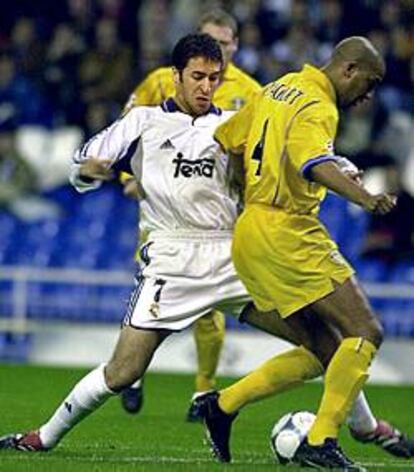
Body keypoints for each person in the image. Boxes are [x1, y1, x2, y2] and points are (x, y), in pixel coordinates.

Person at [0, 34, 412, 467]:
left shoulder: (231, 124)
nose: (205, 87)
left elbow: (289, 153)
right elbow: (80, 163)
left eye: (214, 79)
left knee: (327, 343)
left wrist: (342, 167)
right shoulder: (141, 121)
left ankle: (360, 428)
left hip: (233, 255)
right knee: (123, 373)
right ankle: (41, 437)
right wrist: (88, 172)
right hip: (172, 263)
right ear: (175, 76)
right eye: (196, 77)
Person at [194, 36, 403, 470]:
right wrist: (365, 199)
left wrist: (242, 190)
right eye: (370, 81)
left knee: (323, 347)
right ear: (348, 69)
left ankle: (223, 405)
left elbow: (230, 139)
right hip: (287, 228)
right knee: (365, 330)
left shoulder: (277, 87)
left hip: (250, 228)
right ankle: (321, 439)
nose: (369, 95)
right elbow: (314, 163)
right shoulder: (317, 104)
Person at [119, 8, 262, 420]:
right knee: (152, 294)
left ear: (235, 45)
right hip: (166, 212)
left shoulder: (252, 93)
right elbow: (129, 125)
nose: (217, 48)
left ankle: (203, 392)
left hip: (217, 217)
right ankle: (132, 373)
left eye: (224, 41)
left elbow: (259, 150)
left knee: (210, 308)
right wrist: (132, 174)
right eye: (209, 40)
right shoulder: (164, 80)